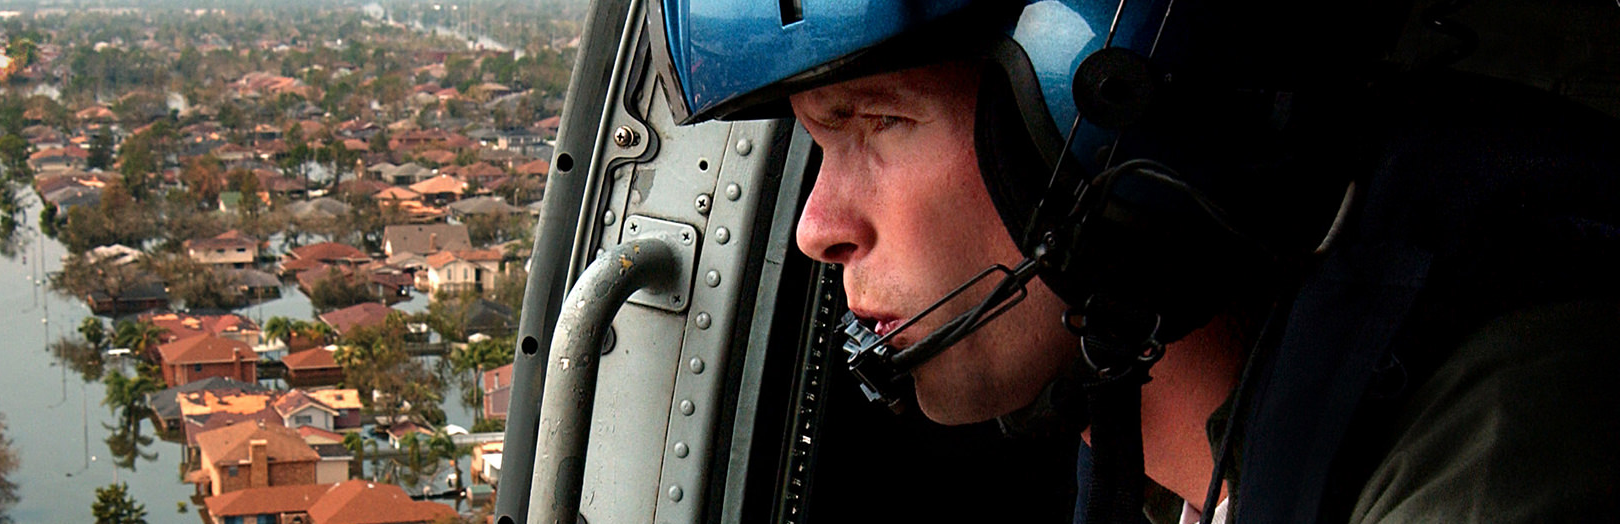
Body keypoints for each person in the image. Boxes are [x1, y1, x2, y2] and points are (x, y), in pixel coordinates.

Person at [661, 0, 1620, 522]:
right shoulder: (1172, 469)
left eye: (879, 120)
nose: (816, 227)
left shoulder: (1502, 446)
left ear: (1109, 113)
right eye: (818, 146)